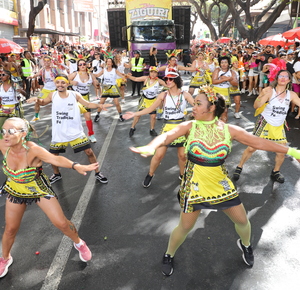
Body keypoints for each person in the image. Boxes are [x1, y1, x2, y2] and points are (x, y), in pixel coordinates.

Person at [129, 87, 300, 276]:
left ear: (211, 108)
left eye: (198, 103)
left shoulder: (230, 130)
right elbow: (168, 135)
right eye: (194, 103)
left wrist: (291, 151)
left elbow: (257, 141)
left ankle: (245, 244)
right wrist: (152, 145)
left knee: (242, 220)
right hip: (194, 185)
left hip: (220, 184)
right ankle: (169, 254)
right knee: (185, 227)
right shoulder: (190, 126)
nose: (193, 107)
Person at [0, 117, 99, 278]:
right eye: (3, 131)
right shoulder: (4, 146)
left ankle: (79, 243)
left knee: (61, 223)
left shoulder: (32, 149)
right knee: (10, 229)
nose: (6, 135)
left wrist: (76, 165)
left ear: (23, 134)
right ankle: (5, 258)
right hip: (15, 189)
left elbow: (55, 159)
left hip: (38, 188)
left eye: (11, 131)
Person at [27, 74, 111, 184]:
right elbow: (42, 102)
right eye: (58, 82)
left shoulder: (74, 95)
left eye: (63, 82)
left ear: (67, 83)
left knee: (89, 152)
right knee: (53, 156)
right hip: (59, 132)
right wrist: (36, 99)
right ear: (55, 84)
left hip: (75, 131)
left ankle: (97, 172)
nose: (60, 85)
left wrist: (99, 105)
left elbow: (88, 104)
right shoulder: (53, 95)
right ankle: (57, 174)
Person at [123, 69, 194, 188]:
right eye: (166, 79)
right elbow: (151, 108)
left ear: (176, 80)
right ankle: (150, 174)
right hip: (167, 127)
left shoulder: (185, 94)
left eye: (170, 78)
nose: (168, 81)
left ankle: (182, 175)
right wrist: (135, 114)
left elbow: (197, 106)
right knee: (158, 155)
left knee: (182, 156)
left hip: (181, 127)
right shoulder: (163, 95)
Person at [233, 70, 300, 183]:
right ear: (277, 78)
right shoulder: (268, 90)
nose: (283, 78)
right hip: (265, 123)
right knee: (252, 147)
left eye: (286, 76)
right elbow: (256, 105)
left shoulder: (291, 95)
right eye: (281, 76)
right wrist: (264, 96)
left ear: (289, 80)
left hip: (278, 126)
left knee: (281, 152)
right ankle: (239, 167)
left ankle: (276, 172)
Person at [126, 66, 167, 137]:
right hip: (144, 100)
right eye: (151, 72)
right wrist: (128, 76)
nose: (153, 74)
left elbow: (168, 85)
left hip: (153, 100)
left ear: (157, 74)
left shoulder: (159, 81)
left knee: (153, 116)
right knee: (138, 114)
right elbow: (136, 79)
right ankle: (132, 127)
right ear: (149, 72)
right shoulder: (146, 78)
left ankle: (152, 130)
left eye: (155, 72)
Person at [69, 59, 100, 143]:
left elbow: (96, 86)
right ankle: (72, 134)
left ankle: (91, 134)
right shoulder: (75, 74)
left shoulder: (90, 75)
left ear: (86, 65)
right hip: (75, 98)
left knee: (88, 117)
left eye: (84, 64)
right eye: (80, 64)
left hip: (85, 98)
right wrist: (71, 82)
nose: (82, 66)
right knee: (73, 117)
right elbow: (63, 81)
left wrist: (97, 83)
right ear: (78, 66)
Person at [93, 58, 126, 122]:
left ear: (112, 63)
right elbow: (97, 75)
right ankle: (97, 115)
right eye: (107, 61)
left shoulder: (115, 70)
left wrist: (126, 76)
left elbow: (122, 75)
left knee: (117, 103)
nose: (108, 63)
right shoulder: (104, 70)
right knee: (101, 102)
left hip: (113, 87)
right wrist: (89, 72)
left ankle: (120, 115)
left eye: (110, 62)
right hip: (106, 87)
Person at [29, 56, 60, 122]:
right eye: (45, 61)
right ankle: (36, 116)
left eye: (48, 61)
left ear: (51, 61)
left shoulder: (55, 69)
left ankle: (59, 117)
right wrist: (31, 76)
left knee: (58, 104)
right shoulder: (42, 70)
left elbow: (62, 75)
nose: (46, 62)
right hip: (45, 89)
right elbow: (36, 74)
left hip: (55, 90)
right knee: (37, 101)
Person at [212, 55, 238, 122]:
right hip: (216, 91)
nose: (224, 64)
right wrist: (226, 79)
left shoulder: (232, 72)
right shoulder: (217, 70)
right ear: (220, 63)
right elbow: (214, 81)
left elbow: (236, 84)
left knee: (225, 111)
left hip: (225, 92)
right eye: (222, 62)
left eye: (225, 62)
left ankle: (223, 128)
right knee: (214, 111)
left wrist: (229, 79)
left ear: (228, 63)